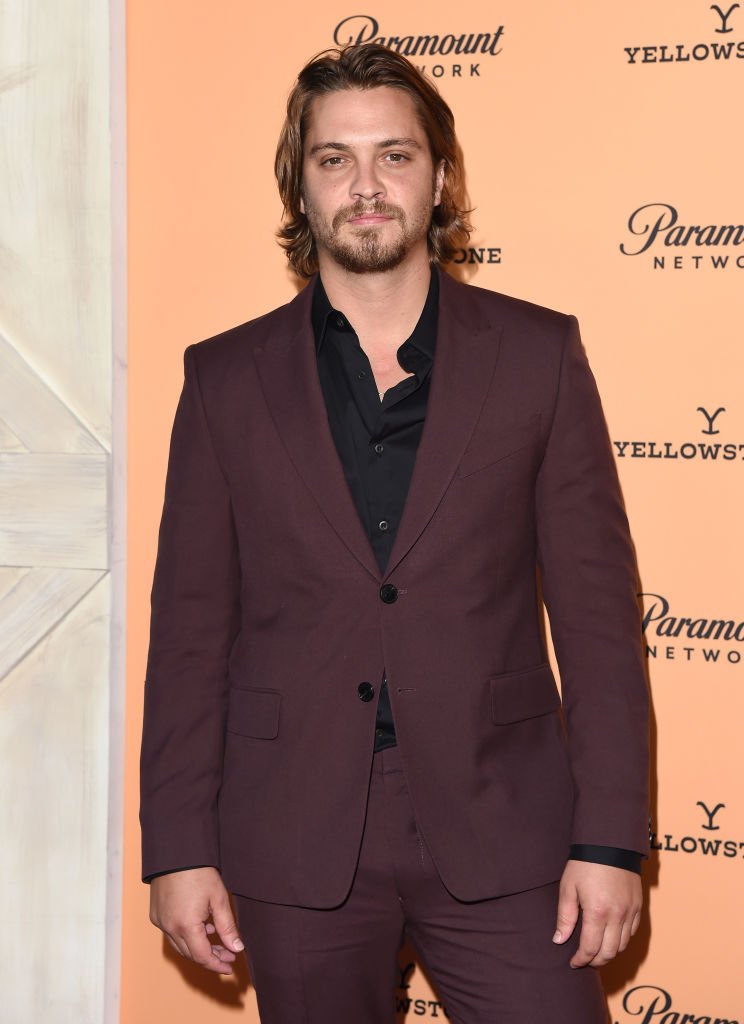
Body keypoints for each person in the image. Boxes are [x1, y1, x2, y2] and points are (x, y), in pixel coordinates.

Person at [140, 43, 649, 1023]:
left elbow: (595, 622)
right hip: (292, 825)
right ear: (301, 186)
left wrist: (610, 839)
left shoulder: (539, 356)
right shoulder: (223, 379)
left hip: (505, 820)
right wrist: (178, 848)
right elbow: (192, 634)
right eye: (334, 159)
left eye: (395, 156)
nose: (365, 186)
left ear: (441, 176)